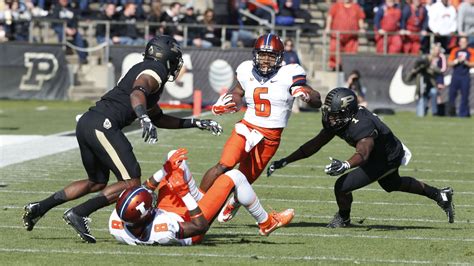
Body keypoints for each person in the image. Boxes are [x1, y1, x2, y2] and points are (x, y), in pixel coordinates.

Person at [22, 36, 223, 243]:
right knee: (131, 182)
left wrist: (195, 123)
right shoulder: (157, 71)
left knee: (96, 182)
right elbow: (138, 93)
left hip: (88, 122)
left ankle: (39, 207)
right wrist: (142, 116)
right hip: (104, 124)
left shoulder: (144, 69)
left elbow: (159, 117)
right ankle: (79, 213)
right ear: (166, 57)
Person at [267, 87, 455, 227]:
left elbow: (364, 153)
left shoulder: (361, 124)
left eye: (335, 115)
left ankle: (344, 218)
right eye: (329, 114)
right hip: (381, 152)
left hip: (386, 157)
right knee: (391, 184)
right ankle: (440, 194)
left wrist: (346, 165)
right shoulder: (341, 120)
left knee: (342, 186)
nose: (331, 119)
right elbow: (315, 144)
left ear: (347, 113)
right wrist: (285, 160)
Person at [200, 33, 322, 223]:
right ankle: (196, 202)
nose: (265, 60)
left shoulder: (290, 72)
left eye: (271, 56)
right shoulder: (246, 69)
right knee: (223, 165)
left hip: (270, 137)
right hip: (246, 128)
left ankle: (235, 201)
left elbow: (316, 100)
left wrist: (306, 94)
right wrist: (230, 102)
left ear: (279, 58)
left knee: (244, 180)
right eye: (262, 55)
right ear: (255, 55)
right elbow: (238, 93)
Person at [109, 148, 295, 245]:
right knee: (235, 177)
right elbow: (200, 226)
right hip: (190, 225)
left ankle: (199, 196)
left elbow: (142, 192)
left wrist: (165, 170)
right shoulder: (162, 231)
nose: (151, 195)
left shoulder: (118, 220)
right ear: (147, 214)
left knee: (173, 157)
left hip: (167, 213)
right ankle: (266, 222)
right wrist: (183, 193)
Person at [325, 0, 366, 70]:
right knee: (334, 50)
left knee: (351, 52)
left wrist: (361, 28)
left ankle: (348, 67)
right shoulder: (336, 6)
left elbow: (360, 18)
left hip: (351, 36)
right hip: (337, 35)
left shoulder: (356, 7)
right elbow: (330, 16)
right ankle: (335, 66)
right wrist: (328, 27)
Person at [447, 36, 474, 117]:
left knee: (465, 95)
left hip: (465, 76)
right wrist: (457, 61)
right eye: (461, 42)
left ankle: (463, 113)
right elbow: (449, 63)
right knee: (452, 94)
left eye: (464, 42)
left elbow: (472, 64)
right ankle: (451, 113)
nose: (462, 44)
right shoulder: (455, 51)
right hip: (456, 75)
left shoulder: (471, 51)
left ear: (467, 43)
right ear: (459, 43)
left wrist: (466, 62)